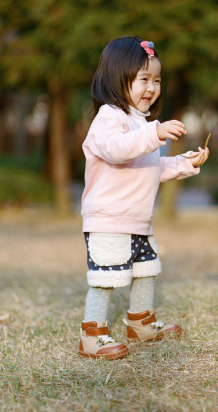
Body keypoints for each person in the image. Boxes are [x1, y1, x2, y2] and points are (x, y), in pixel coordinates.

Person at [78, 36, 209, 360]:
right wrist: (155, 133)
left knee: (146, 270)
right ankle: (92, 334)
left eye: (157, 80)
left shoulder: (142, 123)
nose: (152, 87)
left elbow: (148, 166)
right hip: (109, 219)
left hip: (138, 220)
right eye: (143, 79)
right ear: (117, 80)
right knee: (106, 277)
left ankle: (141, 321)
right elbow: (117, 150)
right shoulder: (110, 117)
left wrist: (184, 163)